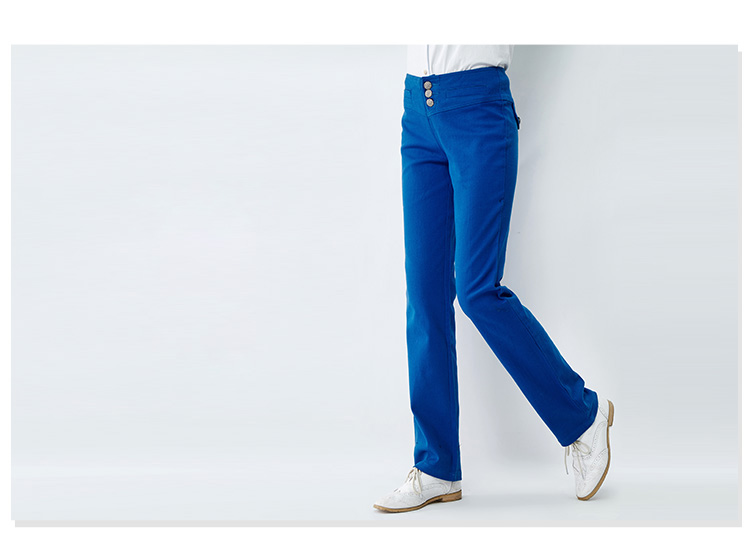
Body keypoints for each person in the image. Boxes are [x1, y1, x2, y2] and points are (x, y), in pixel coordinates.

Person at [373, 45, 615, 513]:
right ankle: (437, 467)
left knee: (478, 290)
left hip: (478, 105)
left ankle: (584, 417)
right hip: (417, 108)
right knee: (424, 297)